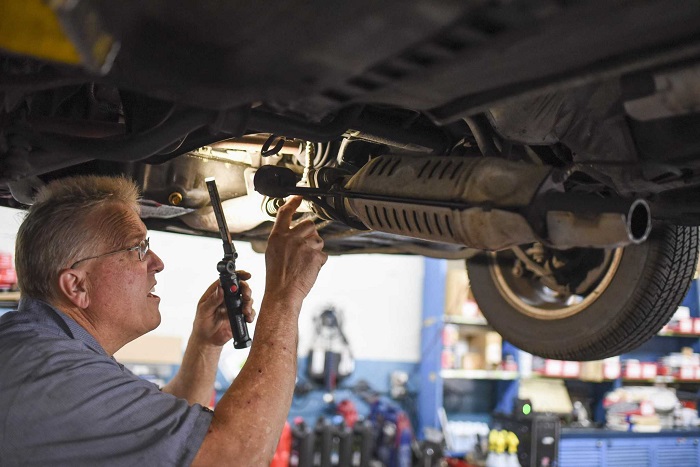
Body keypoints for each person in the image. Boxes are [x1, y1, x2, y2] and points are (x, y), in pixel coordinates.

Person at [0, 175, 328, 466]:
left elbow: (164, 437)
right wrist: (285, 294)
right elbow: (232, 456)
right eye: (137, 248)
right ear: (76, 285)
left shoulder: (43, 353)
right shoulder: (53, 375)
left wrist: (206, 343)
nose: (157, 263)